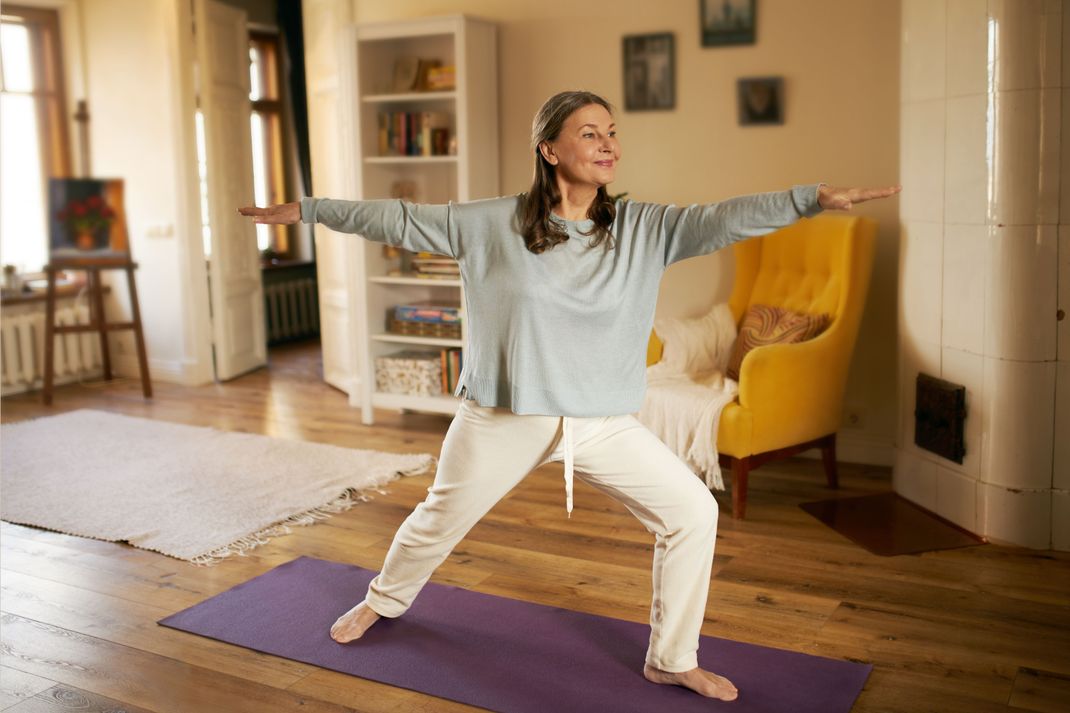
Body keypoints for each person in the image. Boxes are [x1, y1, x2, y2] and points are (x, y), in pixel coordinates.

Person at [238, 89, 900, 702]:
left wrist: (808, 198)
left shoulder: (644, 228)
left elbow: (723, 219)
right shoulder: (490, 224)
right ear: (549, 149)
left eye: (612, 132)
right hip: (504, 415)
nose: (609, 143)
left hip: (601, 420)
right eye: (590, 133)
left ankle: (671, 655)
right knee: (440, 517)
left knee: (693, 511)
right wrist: (309, 210)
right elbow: (402, 219)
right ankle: (382, 600)